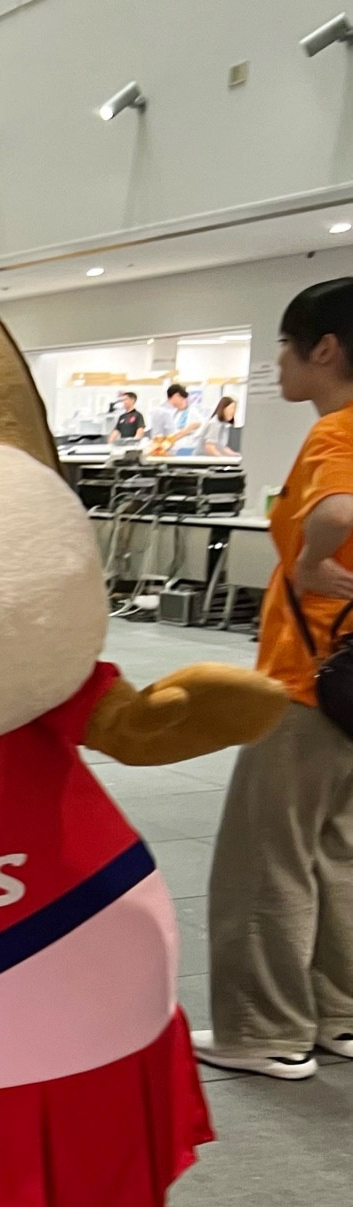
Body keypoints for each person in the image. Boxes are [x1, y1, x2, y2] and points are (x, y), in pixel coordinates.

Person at [199, 279, 353, 1079]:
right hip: (349, 687)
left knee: (268, 857)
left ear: (324, 349)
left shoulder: (337, 432)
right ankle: (338, 1016)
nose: (280, 361)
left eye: (287, 346)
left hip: (309, 678)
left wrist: (319, 556)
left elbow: (335, 508)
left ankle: (267, 1031)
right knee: (337, 852)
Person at [147, 383, 200, 452]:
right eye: (182, 398)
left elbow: (191, 427)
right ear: (176, 395)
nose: (184, 401)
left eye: (185, 399)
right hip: (169, 447)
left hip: (183, 448)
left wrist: (165, 444)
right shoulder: (167, 412)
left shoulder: (191, 412)